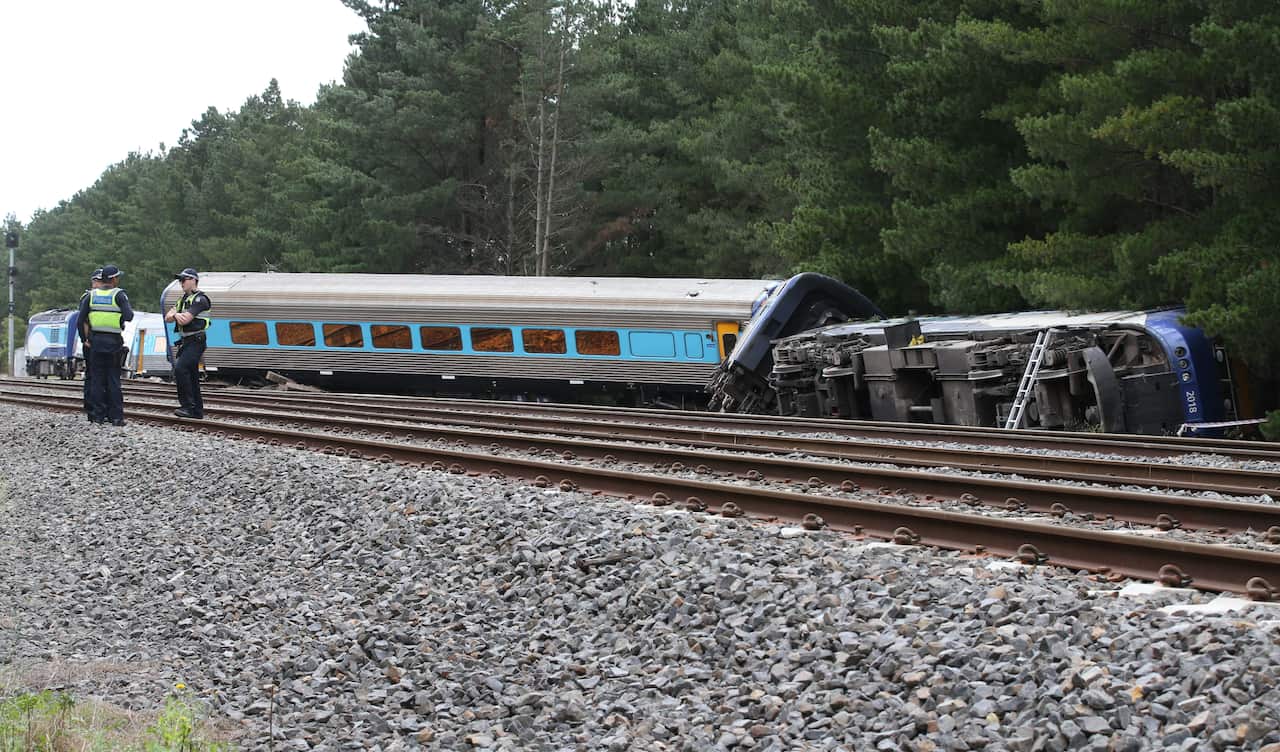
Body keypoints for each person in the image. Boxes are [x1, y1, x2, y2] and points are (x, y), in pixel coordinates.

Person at [77, 264, 133, 426]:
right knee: (113, 379)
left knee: (96, 380)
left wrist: (84, 339)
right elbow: (129, 316)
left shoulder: (91, 296)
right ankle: (116, 417)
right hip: (114, 342)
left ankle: (97, 416)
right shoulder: (119, 295)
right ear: (114, 279)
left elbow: (80, 320)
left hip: (95, 343)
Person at [165, 268, 211, 419]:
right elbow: (168, 318)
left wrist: (176, 315)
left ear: (193, 280)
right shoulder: (183, 299)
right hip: (186, 342)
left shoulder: (200, 299)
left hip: (196, 341)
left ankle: (187, 407)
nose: (181, 283)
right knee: (191, 375)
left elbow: (185, 319)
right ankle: (197, 411)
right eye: (180, 280)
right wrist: (177, 315)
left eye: (183, 280)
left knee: (180, 369)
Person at [78, 268, 104, 421]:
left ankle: (96, 404)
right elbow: (83, 320)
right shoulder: (88, 297)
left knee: (96, 374)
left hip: (99, 340)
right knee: (92, 374)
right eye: (100, 281)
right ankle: (91, 405)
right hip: (91, 341)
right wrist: (85, 339)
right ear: (94, 282)